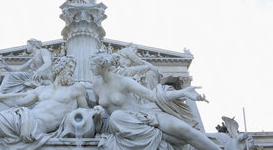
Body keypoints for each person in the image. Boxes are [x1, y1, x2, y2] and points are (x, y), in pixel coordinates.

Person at [90, 53, 221, 150]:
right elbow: (96, 105)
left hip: (144, 114)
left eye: (92, 64)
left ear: (102, 65)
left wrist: (182, 92)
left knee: (184, 130)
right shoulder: (96, 86)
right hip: (125, 123)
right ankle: (162, 136)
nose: (90, 68)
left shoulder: (123, 81)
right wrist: (96, 110)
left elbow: (152, 95)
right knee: (116, 117)